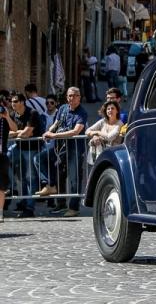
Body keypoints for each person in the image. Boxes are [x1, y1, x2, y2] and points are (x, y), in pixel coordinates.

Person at [38, 86, 88, 217]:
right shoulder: (63, 109)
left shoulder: (82, 112)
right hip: (60, 148)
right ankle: (60, 203)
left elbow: (75, 131)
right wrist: (49, 131)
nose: (72, 98)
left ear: (79, 97)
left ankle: (73, 207)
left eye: (75, 95)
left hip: (75, 149)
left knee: (74, 179)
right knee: (57, 172)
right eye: (70, 95)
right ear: (67, 97)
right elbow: (57, 123)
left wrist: (54, 136)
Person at [86, 100, 124, 165]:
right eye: (108, 109)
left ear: (117, 111)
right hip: (97, 155)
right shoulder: (103, 121)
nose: (110, 110)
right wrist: (95, 136)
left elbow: (109, 137)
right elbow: (87, 131)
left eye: (112, 108)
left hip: (112, 156)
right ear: (106, 111)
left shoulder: (119, 123)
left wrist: (98, 132)